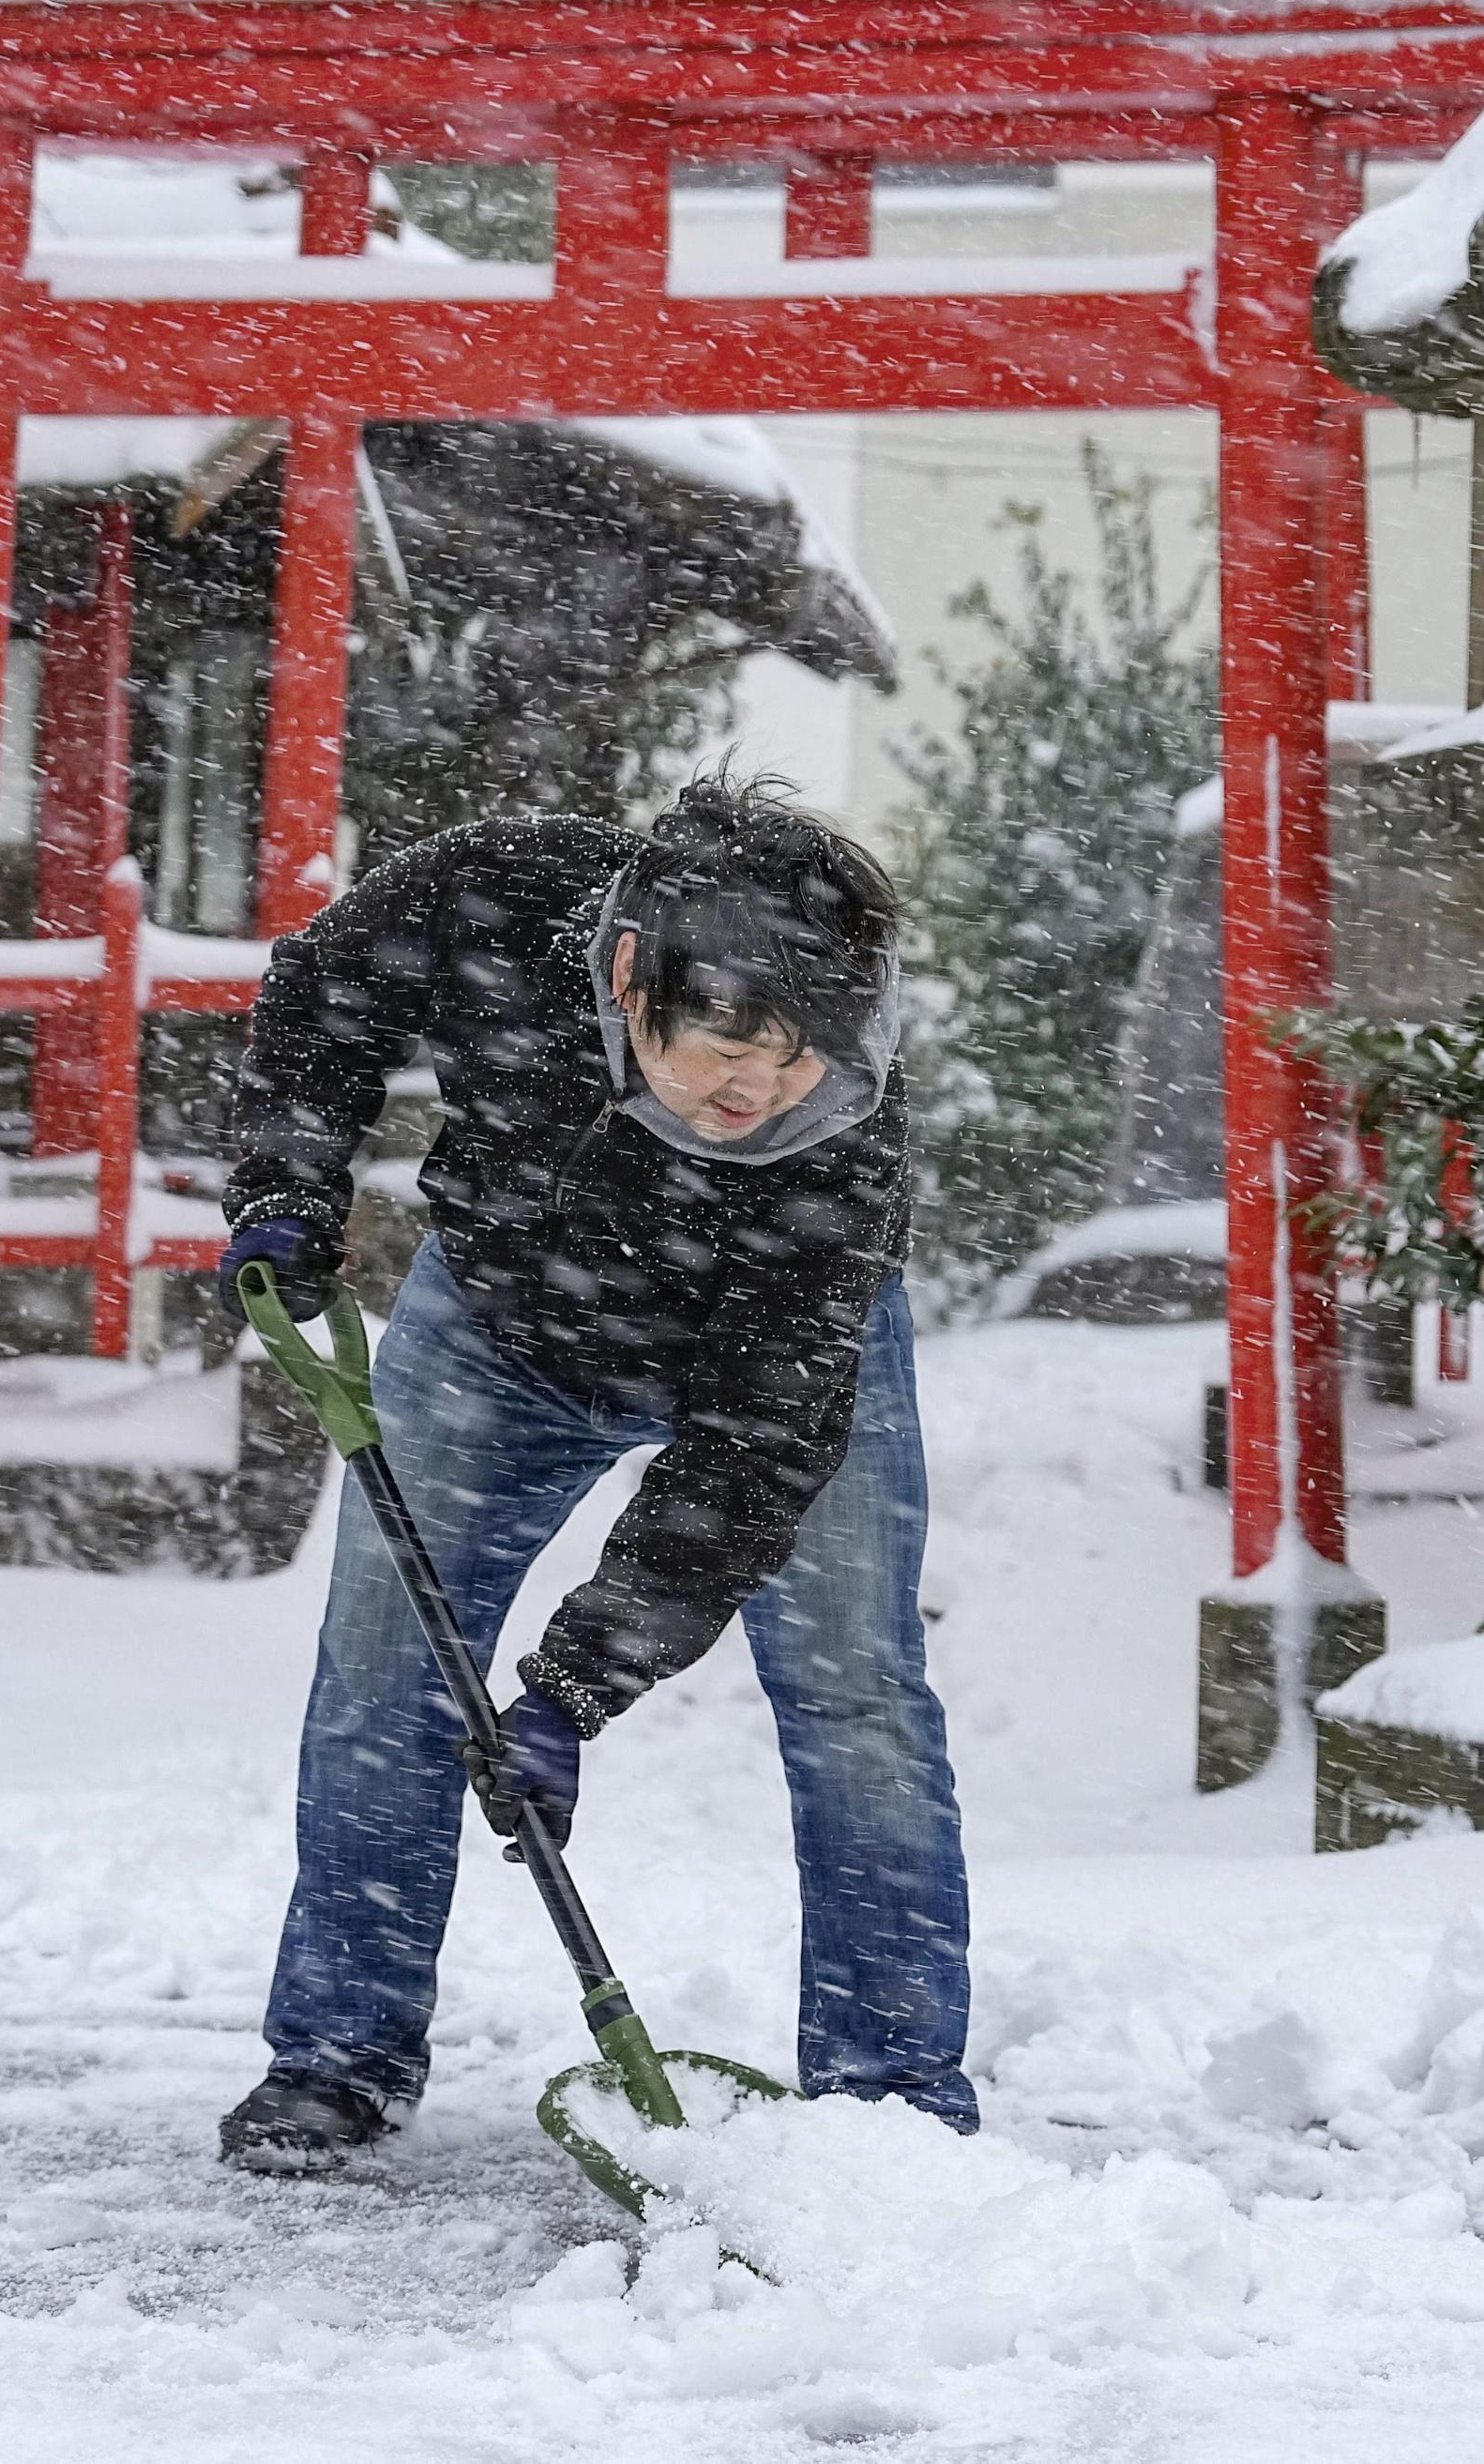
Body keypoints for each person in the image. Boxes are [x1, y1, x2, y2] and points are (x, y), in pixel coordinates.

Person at [214, 776, 973, 2170]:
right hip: (497, 1327)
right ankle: (339, 2057)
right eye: (730, 1054)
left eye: (803, 1063)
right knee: (383, 1672)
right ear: (630, 977)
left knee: (856, 1692)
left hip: (760, 1356)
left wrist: (571, 1691)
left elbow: (756, 1455)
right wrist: (286, 1185)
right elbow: (324, 997)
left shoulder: (841, 1159)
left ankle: (893, 2101)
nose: (763, 1094)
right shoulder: (497, 892)